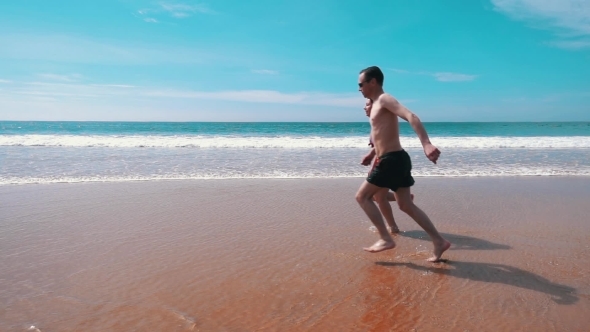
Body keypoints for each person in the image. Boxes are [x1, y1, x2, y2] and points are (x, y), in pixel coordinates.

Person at [355, 66, 451, 262]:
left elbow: (411, 116)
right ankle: (439, 241)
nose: (359, 89)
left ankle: (385, 238)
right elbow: (383, 135)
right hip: (396, 158)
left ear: (372, 82)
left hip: (390, 160)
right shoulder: (375, 106)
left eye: (360, 84)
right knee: (405, 205)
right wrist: (372, 153)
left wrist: (426, 144)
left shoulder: (384, 99)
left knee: (362, 197)